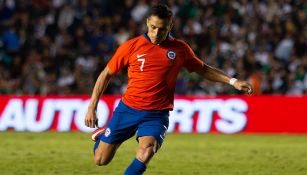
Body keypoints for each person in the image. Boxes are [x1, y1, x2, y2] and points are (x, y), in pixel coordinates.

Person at [84, 4, 253, 175]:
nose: (156, 33)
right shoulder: (131, 46)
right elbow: (106, 74)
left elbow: (203, 69)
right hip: (128, 110)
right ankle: (104, 135)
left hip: (156, 114)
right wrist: (92, 107)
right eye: (153, 27)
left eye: (162, 29)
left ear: (170, 27)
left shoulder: (180, 48)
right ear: (147, 22)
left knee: (147, 150)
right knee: (100, 160)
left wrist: (233, 81)